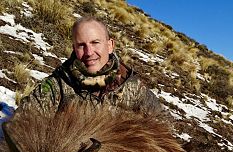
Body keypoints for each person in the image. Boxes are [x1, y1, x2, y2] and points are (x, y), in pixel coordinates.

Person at [15, 16, 161, 115]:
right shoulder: (56, 84)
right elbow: (24, 121)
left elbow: (162, 126)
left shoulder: (133, 86)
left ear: (110, 45)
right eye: (81, 45)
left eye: (95, 43)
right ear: (73, 48)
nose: (89, 52)